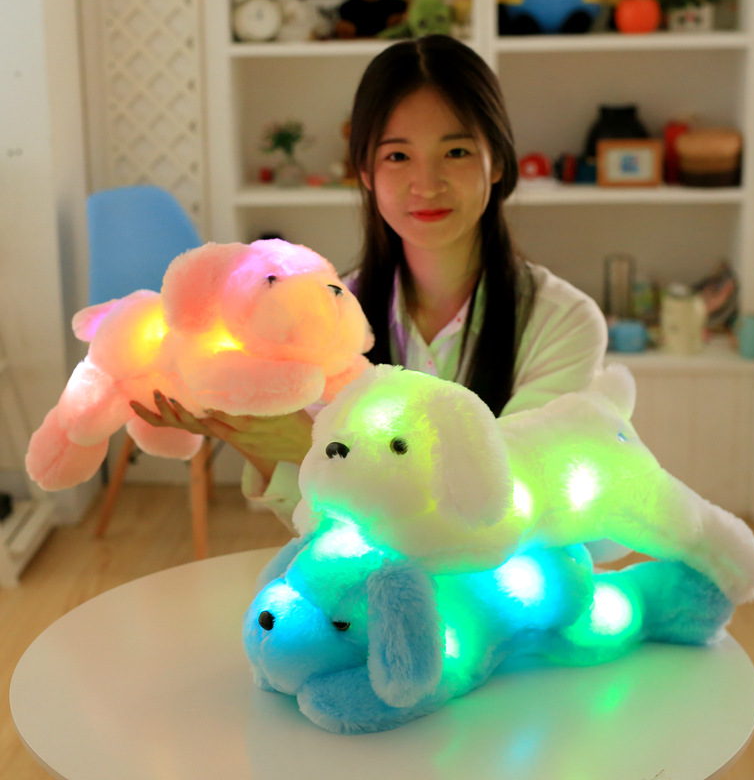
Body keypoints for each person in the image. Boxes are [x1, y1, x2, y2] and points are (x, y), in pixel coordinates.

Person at [131, 35, 607, 531]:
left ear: (499, 163)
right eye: (398, 157)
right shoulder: (329, 319)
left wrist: (318, 446)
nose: (427, 183)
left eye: (456, 151)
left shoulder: (563, 323)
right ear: (364, 171)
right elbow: (324, 526)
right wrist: (253, 437)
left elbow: (509, 506)